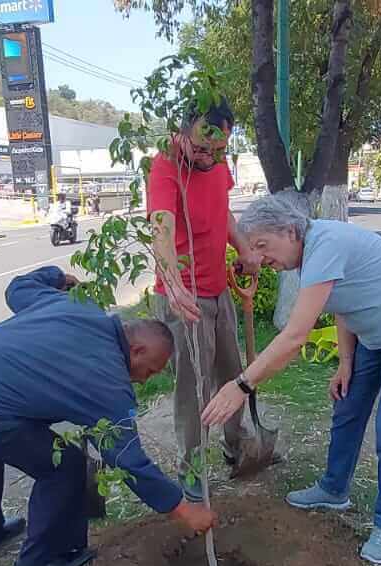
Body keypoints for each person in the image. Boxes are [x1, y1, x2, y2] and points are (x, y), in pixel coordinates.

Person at [0, 267, 217, 566]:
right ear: (136, 349)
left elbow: (18, 289)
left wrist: (58, 277)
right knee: (65, 467)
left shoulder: (79, 306)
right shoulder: (109, 381)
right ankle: (41, 560)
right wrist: (183, 510)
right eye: (150, 370)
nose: (144, 379)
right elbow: (127, 460)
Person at [201, 192, 381, 565]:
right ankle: (333, 489)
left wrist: (241, 384)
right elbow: (343, 303)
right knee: (347, 408)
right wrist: (346, 362)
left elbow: (295, 337)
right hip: (373, 336)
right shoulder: (310, 257)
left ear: (290, 230)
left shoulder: (325, 245)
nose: (260, 257)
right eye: (254, 248)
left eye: (263, 245)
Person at [147, 98, 258, 496]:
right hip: (185, 298)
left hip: (219, 289)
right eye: (201, 147)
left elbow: (223, 210)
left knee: (234, 375)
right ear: (183, 131)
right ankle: (191, 468)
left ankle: (237, 444)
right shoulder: (165, 166)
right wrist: (173, 283)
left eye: (219, 150)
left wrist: (244, 247)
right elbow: (161, 225)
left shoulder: (217, 161)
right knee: (194, 388)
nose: (209, 157)